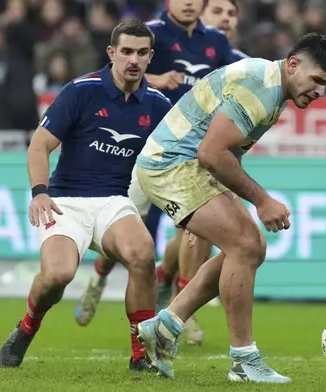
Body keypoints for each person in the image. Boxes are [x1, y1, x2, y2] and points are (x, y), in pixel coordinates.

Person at [134, 33, 326, 382]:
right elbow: (212, 153)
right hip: (171, 163)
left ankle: (166, 326)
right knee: (245, 243)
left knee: (251, 247)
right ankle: (245, 360)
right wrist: (262, 200)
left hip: (186, 163)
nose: (320, 91)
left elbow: (221, 152)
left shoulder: (274, 87)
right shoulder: (261, 88)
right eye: (317, 80)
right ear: (293, 65)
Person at [0, 20, 172, 371]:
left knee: (142, 255)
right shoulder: (81, 90)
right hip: (67, 201)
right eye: (126, 51)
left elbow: (177, 157)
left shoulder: (157, 105)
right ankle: (28, 326)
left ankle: (141, 354)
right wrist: (40, 193)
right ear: (111, 53)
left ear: (151, 57)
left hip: (113, 199)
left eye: (141, 52)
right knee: (58, 275)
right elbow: (39, 146)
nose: (133, 60)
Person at [75, 0, 247, 345]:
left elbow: (242, 78)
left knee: (197, 231)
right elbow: (106, 75)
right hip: (148, 149)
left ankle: (189, 311)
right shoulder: (150, 33)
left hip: (194, 151)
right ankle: (98, 279)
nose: (188, 3)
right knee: (120, 227)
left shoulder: (215, 41)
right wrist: (153, 77)